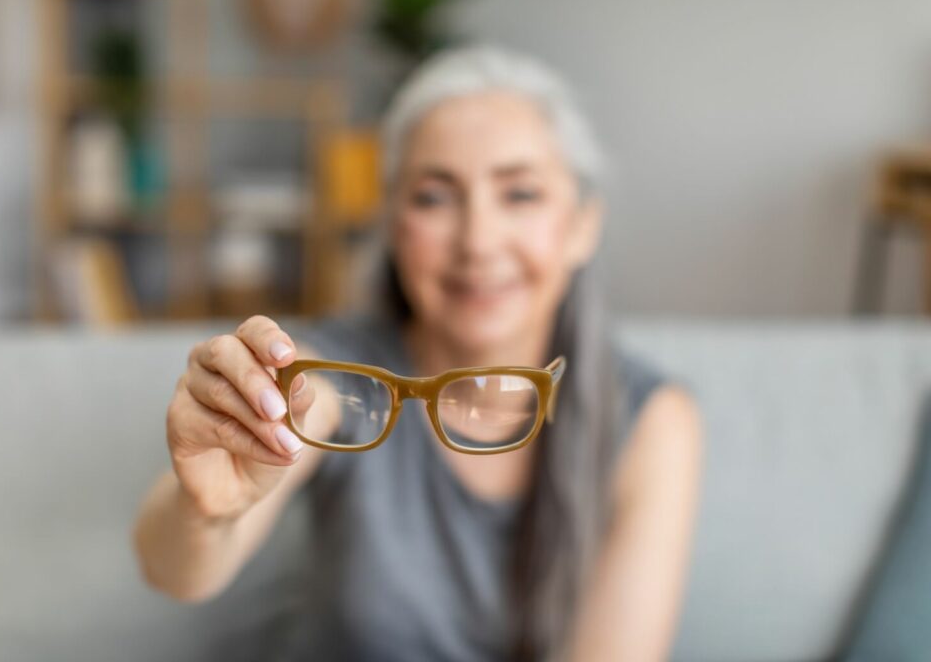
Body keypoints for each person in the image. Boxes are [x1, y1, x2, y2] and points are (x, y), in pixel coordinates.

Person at [132, 44, 703, 662]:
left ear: (582, 226)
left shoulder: (649, 420)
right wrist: (208, 510)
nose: (479, 242)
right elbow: (177, 572)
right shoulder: (336, 379)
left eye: (520, 195)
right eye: (434, 197)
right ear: (393, 227)